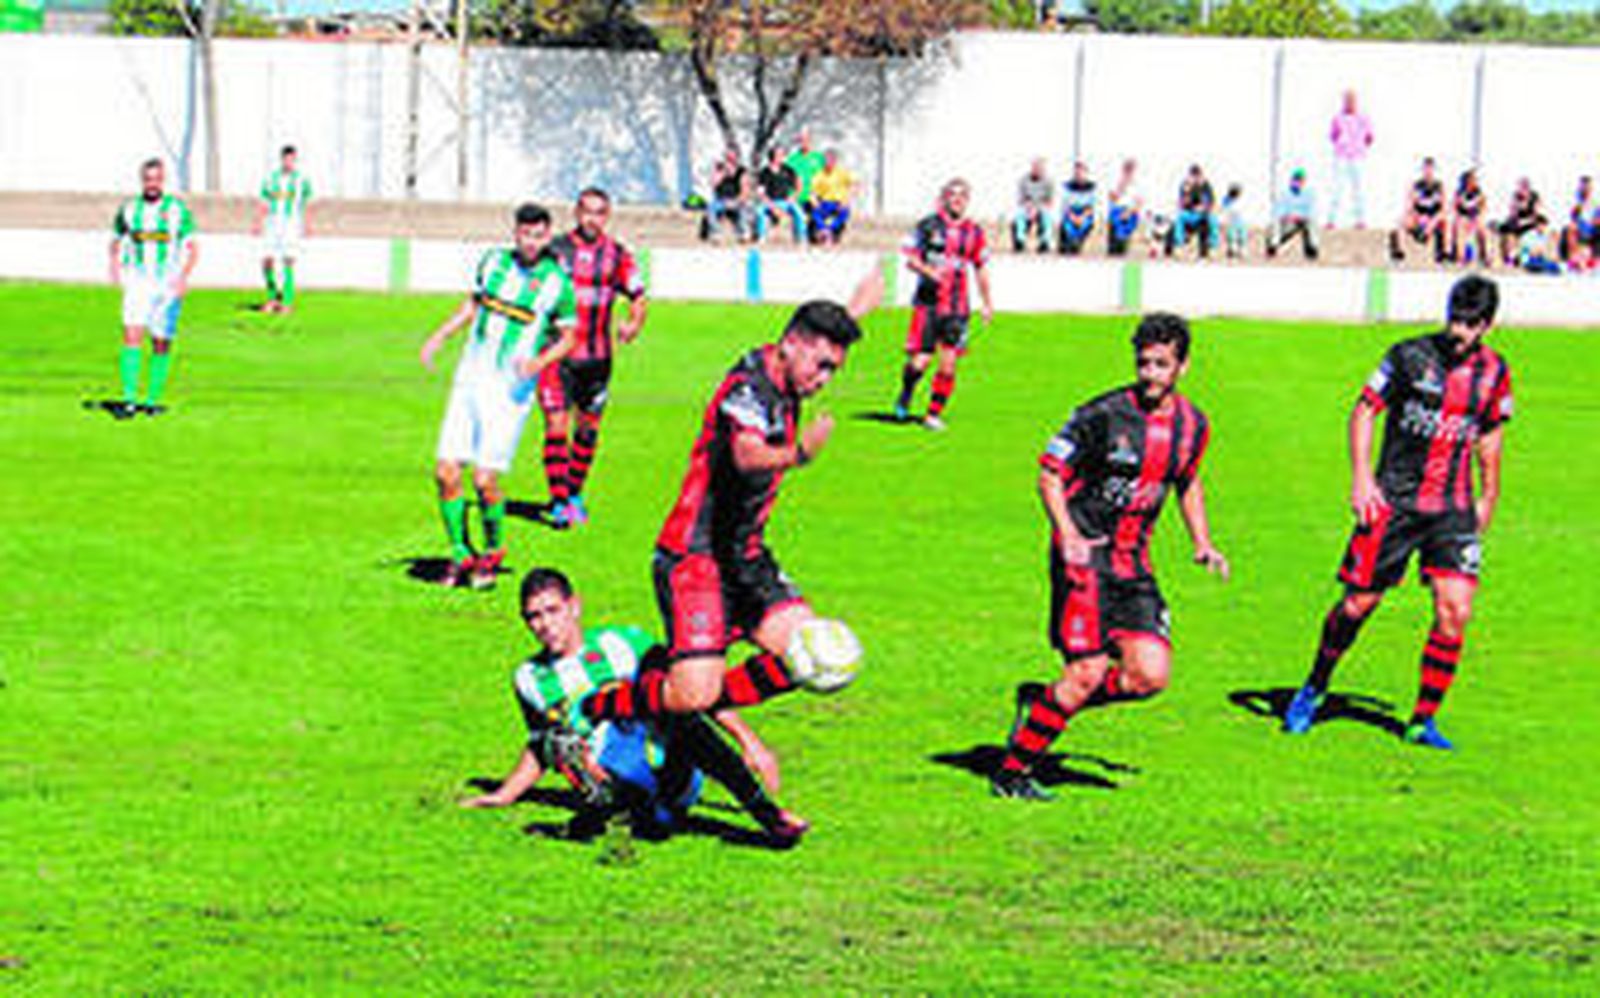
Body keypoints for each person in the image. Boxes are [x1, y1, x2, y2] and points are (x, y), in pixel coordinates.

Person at [577, 292, 878, 822]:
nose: (825, 379)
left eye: (834, 369)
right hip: (694, 559)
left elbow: (818, 331)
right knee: (691, 695)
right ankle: (596, 707)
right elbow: (746, 456)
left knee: (818, 655)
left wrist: (855, 309)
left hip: (747, 559)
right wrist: (800, 454)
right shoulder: (746, 387)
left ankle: (709, 689)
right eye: (822, 365)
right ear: (790, 346)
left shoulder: (790, 363)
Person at [992, 313, 1228, 801]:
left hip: (1134, 566)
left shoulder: (1193, 425)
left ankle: (1040, 705)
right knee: (1087, 673)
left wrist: (1202, 541)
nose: (1150, 374)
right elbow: (1050, 473)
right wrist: (1069, 534)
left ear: (1182, 366)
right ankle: (1012, 772)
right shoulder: (1101, 415)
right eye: (1144, 363)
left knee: (1149, 675)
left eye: (1162, 364)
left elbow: (1187, 480)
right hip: (1086, 559)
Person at [1283, 276, 1511, 751]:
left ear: (1488, 325)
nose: (1458, 330)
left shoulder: (1495, 373)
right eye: (1454, 317)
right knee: (1356, 607)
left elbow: (1490, 434)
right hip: (1395, 503)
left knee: (1455, 611)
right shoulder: (1408, 356)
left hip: (1452, 507)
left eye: (1470, 323)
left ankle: (1421, 720)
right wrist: (1362, 478)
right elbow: (1365, 410)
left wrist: (1489, 495)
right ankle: (1314, 686)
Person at [462, 567, 806, 843]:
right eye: (533, 616)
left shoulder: (623, 644)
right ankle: (625, 814)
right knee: (564, 741)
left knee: (681, 716)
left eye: (552, 610)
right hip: (613, 785)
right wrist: (505, 794)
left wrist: (750, 741)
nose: (545, 625)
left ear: (575, 606)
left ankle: (768, 817)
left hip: (672, 770)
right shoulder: (529, 678)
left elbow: (695, 689)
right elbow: (541, 743)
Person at [419, 203, 577, 589]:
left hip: (509, 392)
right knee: (445, 471)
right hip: (469, 378)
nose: (531, 241)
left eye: (539, 235)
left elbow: (569, 336)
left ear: (547, 236)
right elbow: (474, 304)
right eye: (525, 234)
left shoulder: (557, 283)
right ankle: (460, 554)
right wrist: (440, 336)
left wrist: (539, 362)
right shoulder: (492, 263)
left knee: (484, 480)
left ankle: (492, 552)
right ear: (516, 233)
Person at [540, 188, 648, 528]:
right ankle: (558, 502)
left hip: (598, 359)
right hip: (557, 357)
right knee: (557, 426)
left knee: (587, 430)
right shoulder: (555, 251)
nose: (592, 219)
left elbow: (638, 295)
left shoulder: (617, 255)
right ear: (576, 212)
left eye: (599, 213)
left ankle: (573, 494)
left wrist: (634, 322)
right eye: (587, 211)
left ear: (608, 215)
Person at [893, 179, 994, 431]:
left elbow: (981, 268)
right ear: (944, 198)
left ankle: (933, 414)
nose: (957, 200)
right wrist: (929, 272)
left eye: (962, 196)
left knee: (948, 364)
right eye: (953, 195)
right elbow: (909, 259)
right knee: (920, 363)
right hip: (928, 305)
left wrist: (987, 303)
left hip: (958, 309)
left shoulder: (974, 232)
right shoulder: (928, 226)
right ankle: (906, 391)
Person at [109, 157, 198, 419]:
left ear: (163, 181)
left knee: (161, 342)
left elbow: (192, 247)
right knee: (131, 335)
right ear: (142, 181)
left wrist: (183, 278)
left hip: (167, 284)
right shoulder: (128, 210)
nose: (152, 184)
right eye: (148, 179)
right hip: (137, 281)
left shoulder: (177, 211)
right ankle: (128, 401)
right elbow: (115, 239)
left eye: (157, 179)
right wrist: (114, 265)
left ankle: (151, 400)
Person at [254, 144, 312, 314]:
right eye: (286, 159)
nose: (289, 162)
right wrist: (258, 222)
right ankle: (273, 298)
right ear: (282, 159)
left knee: (289, 260)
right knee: (267, 260)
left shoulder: (302, 181)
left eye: (292, 159)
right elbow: (264, 201)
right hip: (272, 223)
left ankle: (287, 301)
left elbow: (305, 202)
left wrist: (307, 223)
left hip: (291, 223)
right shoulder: (271, 179)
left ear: (295, 160)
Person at [1327, 88, 1374, 229]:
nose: (1349, 103)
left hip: (1358, 156)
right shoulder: (1338, 118)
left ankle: (1360, 220)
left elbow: (1370, 136)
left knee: (1359, 190)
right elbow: (1333, 135)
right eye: (1347, 100)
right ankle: (1331, 220)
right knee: (1337, 189)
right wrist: (1342, 145)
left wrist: (1360, 146)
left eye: (1352, 100)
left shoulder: (1364, 118)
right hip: (1341, 156)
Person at [1388, 157, 1447, 264]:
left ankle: (1442, 253)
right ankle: (1399, 252)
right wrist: (1417, 216)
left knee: (1443, 219)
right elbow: (1409, 206)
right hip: (1419, 218)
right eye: (1426, 169)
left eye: (1430, 169)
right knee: (1401, 220)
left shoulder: (1439, 186)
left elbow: (1443, 208)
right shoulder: (1416, 185)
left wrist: (1431, 222)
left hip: (1433, 219)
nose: (1428, 172)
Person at [755, 146, 806, 244]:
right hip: (770, 202)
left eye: (782, 154)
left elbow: (799, 184)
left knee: (799, 213)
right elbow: (760, 192)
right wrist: (771, 205)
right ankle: (761, 236)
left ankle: (801, 238)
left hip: (785, 201)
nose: (782, 157)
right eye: (779, 154)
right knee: (759, 212)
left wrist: (793, 197)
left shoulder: (788, 170)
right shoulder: (764, 172)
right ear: (773, 156)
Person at [1266, 169, 1319, 261]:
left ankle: (1312, 249)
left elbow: (1311, 211)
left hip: (1302, 220)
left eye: (1300, 180)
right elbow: (1278, 211)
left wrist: (1299, 217)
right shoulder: (1285, 193)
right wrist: (1288, 217)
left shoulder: (1309, 193)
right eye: (1296, 179)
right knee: (1277, 224)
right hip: (1287, 220)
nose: (1297, 182)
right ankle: (1273, 245)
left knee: (1310, 224)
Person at [785, 128, 827, 242]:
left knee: (818, 211)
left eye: (806, 140)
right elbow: (786, 180)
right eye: (801, 140)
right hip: (798, 196)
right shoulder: (792, 159)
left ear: (811, 140)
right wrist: (790, 195)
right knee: (797, 213)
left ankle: (818, 237)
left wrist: (818, 194)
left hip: (815, 196)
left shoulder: (819, 158)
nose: (804, 143)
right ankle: (799, 240)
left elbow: (825, 178)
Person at [1167, 164, 1216, 259]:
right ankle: (1179, 245)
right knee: (1180, 217)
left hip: (1203, 214)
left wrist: (1204, 207)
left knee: (1213, 219)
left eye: (1198, 176)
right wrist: (1188, 192)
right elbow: (1181, 204)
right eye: (1194, 176)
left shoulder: (1206, 185)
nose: (1196, 178)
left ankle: (1212, 247)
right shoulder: (1185, 185)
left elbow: (1212, 202)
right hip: (1190, 213)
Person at [1494, 177, 1543, 268]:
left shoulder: (1534, 197)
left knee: (1517, 232)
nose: (1522, 191)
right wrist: (1517, 206)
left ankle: (1515, 258)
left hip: (1529, 224)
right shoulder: (1516, 196)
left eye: (1524, 188)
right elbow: (1512, 213)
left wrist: (1525, 220)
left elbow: (1535, 215)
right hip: (1516, 224)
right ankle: (1510, 258)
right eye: (1521, 188)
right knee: (1509, 233)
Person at [809, 150, 856, 245]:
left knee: (845, 212)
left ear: (835, 161)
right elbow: (812, 192)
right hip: (824, 202)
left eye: (831, 160)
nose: (828, 163)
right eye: (826, 160)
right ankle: (824, 230)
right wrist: (814, 202)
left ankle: (828, 230)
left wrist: (846, 200)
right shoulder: (819, 173)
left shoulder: (841, 173)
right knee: (815, 212)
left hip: (838, 202)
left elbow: (854, 185)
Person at [703, 147, 749, 243]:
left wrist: (736, 200)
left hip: (736, 200)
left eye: (732, 156)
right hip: (721, 200)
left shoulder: (741, 170)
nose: (730, 159)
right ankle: (716, 233)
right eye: (728, 156)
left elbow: (745, 190)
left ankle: (743, 233)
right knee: (711, 207)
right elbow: (713, 184)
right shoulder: (719, 168)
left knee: (743, 209)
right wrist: (723, 172)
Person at [1012, 158, 1054, 253]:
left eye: (1039, 168)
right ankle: (1020, 240)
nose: (1037, 170)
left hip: (1041, 208)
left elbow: (1050, 201)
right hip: (1027, 207)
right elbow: (1020, 199)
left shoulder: (1049, 182)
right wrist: (1029, 206)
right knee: (1019, 214)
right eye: (1035, 167)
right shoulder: (1023, 180)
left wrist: (1037, 208)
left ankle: (1045, 241)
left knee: (1047, 215)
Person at [1449, 168, 1489, 267]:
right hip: (1463, 217)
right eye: (1472, 179)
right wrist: (1461, 219)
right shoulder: (1459, 193)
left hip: (1475, 217)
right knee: (1460, 227)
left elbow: (1484, 209)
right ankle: (1460, 257)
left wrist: (1476, 220)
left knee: (1483, 229)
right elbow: (1454, 209)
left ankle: (1485, 257)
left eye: (1475, 180)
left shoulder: (1479, 192)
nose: (1474, 182)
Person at [1057, 161, 1097, 256]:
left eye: (1081, 172)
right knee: (1067, 226)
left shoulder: (1092, 187)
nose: (1078, 174)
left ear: (1086, 173)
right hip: (1071, 214)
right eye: (1076, 172)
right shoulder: (1067, 186)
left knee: (1086, 224)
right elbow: (1065, 205)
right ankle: (1068, 242)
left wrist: (1082, 217)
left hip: (1085, 214)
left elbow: (1091, 206)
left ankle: (1077, 242)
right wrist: (1073, 217)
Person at [1105, 158, 1143, 257]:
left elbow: (1140, 203)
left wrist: (1129, 212)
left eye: (1131, 170)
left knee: (1127, 222)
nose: (1128, 172)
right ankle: (1115, 247)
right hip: (1117, 210)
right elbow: (1111, 199)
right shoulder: (1116, 182)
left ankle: (1122, 244)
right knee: (1115, 219)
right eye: (1127, 169)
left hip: (1131, 211)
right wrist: (1121, 187)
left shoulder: (1137, 184)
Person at [1561, 175, 1596, 270]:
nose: (1586, 189)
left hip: (1592, 227)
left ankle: (1592, 260)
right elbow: (1572, 216)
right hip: (1579, 227)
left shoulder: (1595, 201)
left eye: (1588, 187)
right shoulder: (1575, 199)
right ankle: (1574, 259)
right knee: (1570, 229)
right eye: (1583, 187)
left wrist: (1593, 222)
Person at [1220, 183, 1247, 259]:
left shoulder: (1240, 200)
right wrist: (1223, 220)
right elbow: (1224, 210)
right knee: (1232, 236)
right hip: (1231, 221)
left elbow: (1242, 210)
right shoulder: (1226, 200)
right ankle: (1232, 249)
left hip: (1240, 220)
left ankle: (1241, 249)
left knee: (1242, 235)